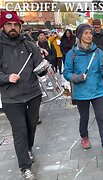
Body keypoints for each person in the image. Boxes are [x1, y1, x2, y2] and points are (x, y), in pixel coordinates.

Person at [63, 23, 103, 159]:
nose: (89, 36)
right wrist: (77, 78)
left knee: (101, 119)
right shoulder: (72, 54)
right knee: (84, 118)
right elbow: (66, 73)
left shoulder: (98, 52)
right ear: (80, 35)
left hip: (98, 91)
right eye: (86, 33)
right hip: (81, 93)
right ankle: (84, 136)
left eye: (91, 33)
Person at [0, 11, 44, 180]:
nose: (13, 28)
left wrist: (43, 66)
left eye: (16, 25)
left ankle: (28, 148)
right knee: (20, 132)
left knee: (31, 127)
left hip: (33, 94)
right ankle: (25, 167)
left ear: (20, 26)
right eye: (9, 25)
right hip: (11, 99)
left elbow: (39, 66)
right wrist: (6, 78)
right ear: (3, 26)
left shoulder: (28, 43)